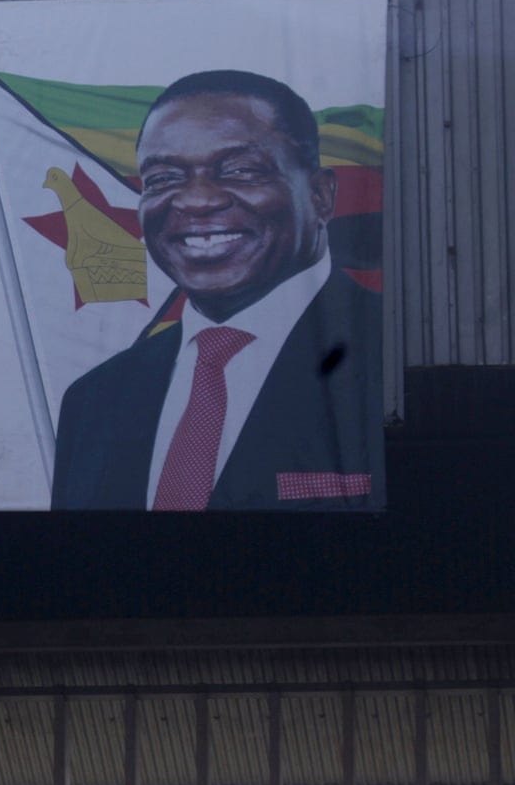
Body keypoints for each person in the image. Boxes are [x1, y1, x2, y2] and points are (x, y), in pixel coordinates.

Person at [50, 70, 383, 511]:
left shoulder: (385, 357)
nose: (197, 200)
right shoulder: (94, 400)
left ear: (321, 196)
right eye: (164, 178)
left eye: (241, 171)